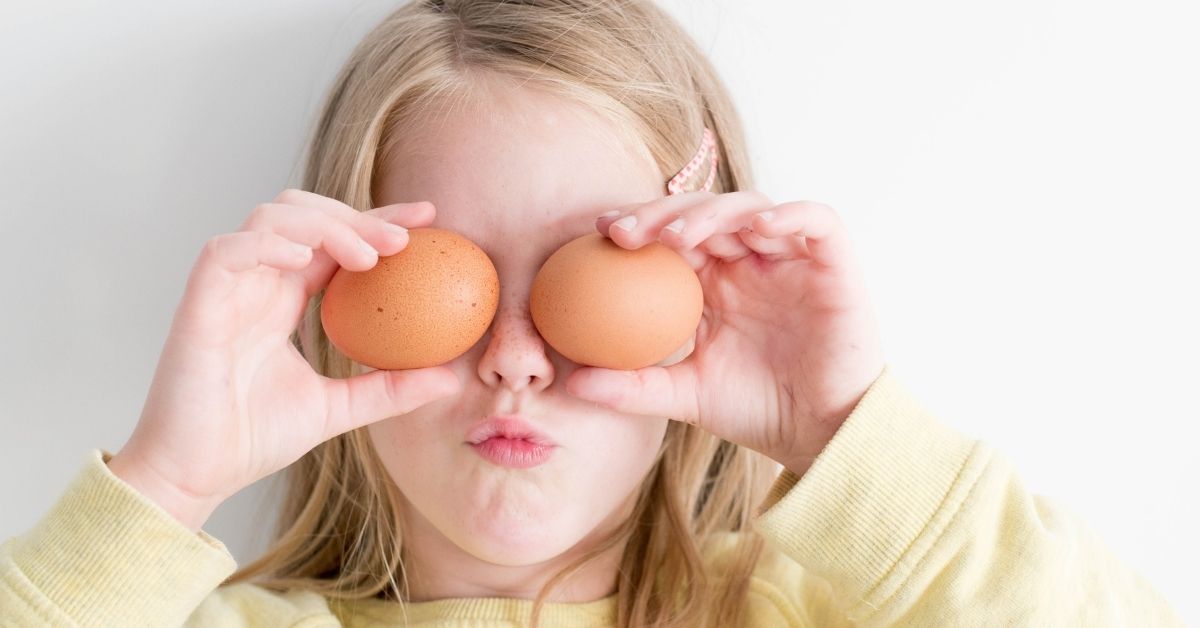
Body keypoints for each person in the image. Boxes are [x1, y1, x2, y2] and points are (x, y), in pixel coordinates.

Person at [1, 1, 1185, 626]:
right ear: (338, 298)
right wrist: (165, 483)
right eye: (451, 279)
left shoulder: (833, 610)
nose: (515, 356)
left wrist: (844, 432)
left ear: (698, 299)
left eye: (586, 277)